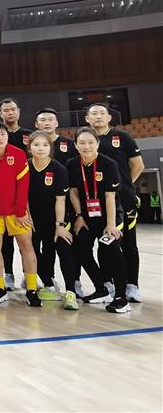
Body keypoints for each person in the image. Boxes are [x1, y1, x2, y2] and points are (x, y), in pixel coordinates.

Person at [0, 120, 40, 307]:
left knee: (26, 247)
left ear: (8, 135)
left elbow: (23, 186)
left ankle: (32, 289)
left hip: (17, 212)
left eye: (3, 134)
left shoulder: (18, 154)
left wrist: (21, 212)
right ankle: (0, 288)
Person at [86, 103, 144, 303]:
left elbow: (138, 165)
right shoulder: (86, 140)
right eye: (94, 113)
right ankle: (108, 284)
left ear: (109, 117)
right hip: (98, 201)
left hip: (124, 199)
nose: (98, 116)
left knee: (129, 243)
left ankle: (132, 285)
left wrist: (124, 185)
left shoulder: (123, 137)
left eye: (102, 113)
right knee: (105, 244)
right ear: (87, 119)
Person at [67, 127, 129, 313]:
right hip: (86, 217)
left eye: (90, 142)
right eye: (82, 142)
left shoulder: (108, 164)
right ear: (76, 145)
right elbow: (74, 192)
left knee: (110, 248)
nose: (86, 146)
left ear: (98, 143)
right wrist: (79, 216)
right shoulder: (72, 164)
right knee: (81, 250)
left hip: (110, 215)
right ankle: (101, 289)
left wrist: (110, 225)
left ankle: (121, 297)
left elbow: (110, 197)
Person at [27, 131, 80, 310]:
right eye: (36, 144)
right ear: (30, 148)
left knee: (63, 248)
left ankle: (71, 291)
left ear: (50, 148)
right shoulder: (25, 167)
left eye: (45, 145)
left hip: (57, 218)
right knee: (32, 251)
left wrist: (60, 225)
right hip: (33, 219)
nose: (40, 148)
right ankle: (48, 284)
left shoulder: (58, 169)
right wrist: (28, 217)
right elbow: (23, 197)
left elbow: (61, 200)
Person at [34, 107, 82, 295]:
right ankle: (46, 279)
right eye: (43, 120)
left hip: (63, 206)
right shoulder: (29, 162)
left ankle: (74, 284)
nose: (47, 123)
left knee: (65, 246)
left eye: (50, 119)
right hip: (35, 213)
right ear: (36, 124)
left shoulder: (68, 147)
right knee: (36, 248)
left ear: (57, 122)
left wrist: (63, 221)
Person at [0, 98, 32, 288]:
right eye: (6, 110)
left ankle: (30, 276)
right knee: (4, 241)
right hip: (3, 195)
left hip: (26, 189)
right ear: (0, 113)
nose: (10, 113)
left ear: (18, 111)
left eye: (13, 109)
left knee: (26, 239)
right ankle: (8, 274)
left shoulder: (29, 134)